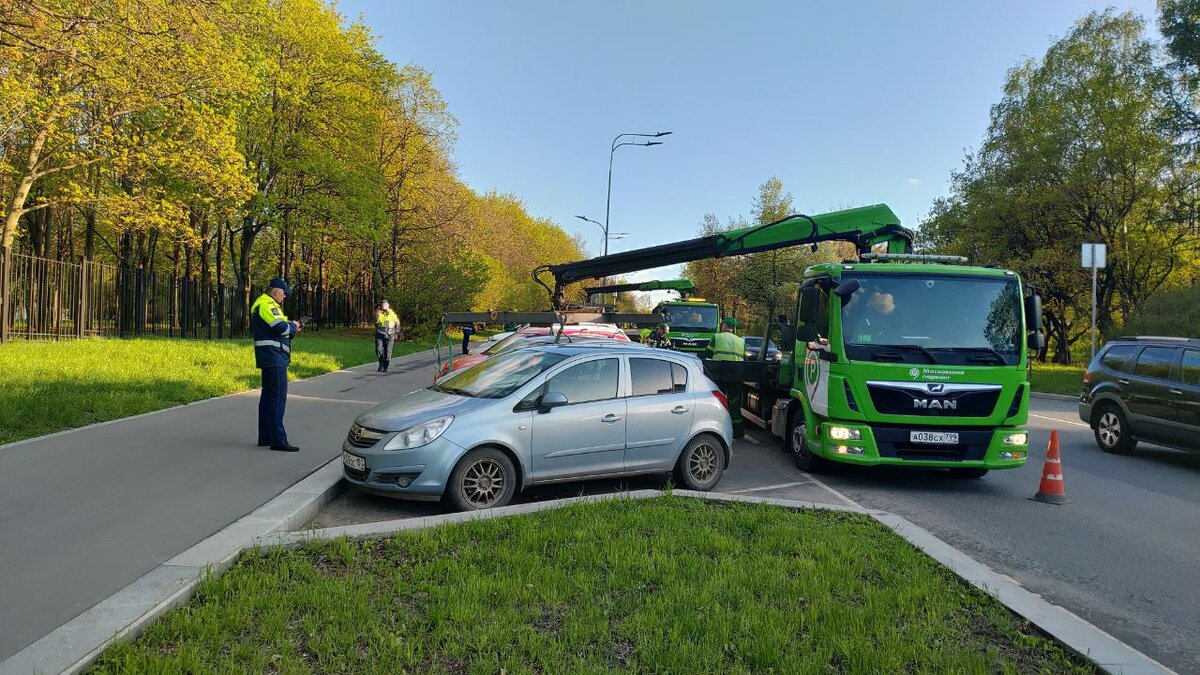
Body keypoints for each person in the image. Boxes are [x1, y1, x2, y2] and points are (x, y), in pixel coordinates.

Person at [251, 278, 302, 452]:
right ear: (275, 292)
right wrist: (294, 325)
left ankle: (266, 437)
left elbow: (280, 331)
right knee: (277, 399)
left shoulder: (264, 305)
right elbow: (281, 328)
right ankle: (278, 440)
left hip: (271, 357)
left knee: (268, 399)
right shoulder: (267, 305)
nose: (284, 297)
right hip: (274, 357)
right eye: (283, 293)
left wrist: (291, 328)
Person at [707, 316, 747, 439]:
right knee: (734, 404)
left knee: (717, 403)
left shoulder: (717, 337)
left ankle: (717, 430)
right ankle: (738, 433)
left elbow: (708, 354)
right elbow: (745, 358)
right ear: (733, 328)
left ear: (724, 326)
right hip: (735, 377)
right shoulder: (741, 341)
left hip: (718, 376)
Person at [374, 300, 400, 372]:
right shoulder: (378, 313)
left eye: (385, 305)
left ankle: (386, 366)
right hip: (380, 333)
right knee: (379, 349)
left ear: (388, 306)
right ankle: (381, 364)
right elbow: (376, 322)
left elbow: (397, 323)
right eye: (382, 306)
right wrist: (377, 314)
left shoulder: (392, 313)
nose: (384, 308)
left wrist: (397, 332)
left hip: (390, 334)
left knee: (388, 351)